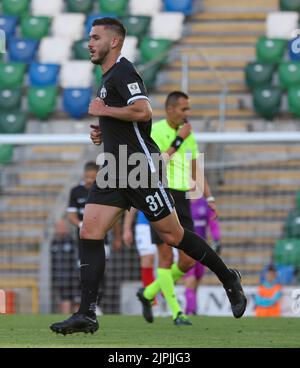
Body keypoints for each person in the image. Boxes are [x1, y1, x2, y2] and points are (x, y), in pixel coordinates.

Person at [50, 17, 247, 335]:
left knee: (174, 237)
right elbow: (128, 120)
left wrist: (105, 112)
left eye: (96, 37)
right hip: (114, 169)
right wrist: (106, 130)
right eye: (90, 37)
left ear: (114, 42)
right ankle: (87, 313)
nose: (90, 43)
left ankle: (229, 278)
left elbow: (143, 111)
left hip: (140, 169)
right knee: (89, 232)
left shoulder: (124, 71)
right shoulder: (107, 77)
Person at [123, 91, 218, 325]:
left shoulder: (189, 135)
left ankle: (147, 294)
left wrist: (209, 197)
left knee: (187, 261)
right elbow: (154, 165)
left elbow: (196, 168)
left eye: (188, 109)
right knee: (165, 257)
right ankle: (177, 312)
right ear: (170, 110)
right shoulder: (156, 130)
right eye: (184, 109)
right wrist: (177, 141)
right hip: (161, 193)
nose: (188, 113)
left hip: (183, 198)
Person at [67, 161, 122, 315]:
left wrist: (118, 238)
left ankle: (97, 305)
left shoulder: (104, 191)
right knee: (84, 274)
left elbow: (115, 217)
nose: (89, 180)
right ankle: (85, 304)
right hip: (83, 242)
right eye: (87, 177)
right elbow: (71, 215)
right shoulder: (76, 191)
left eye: (92, 177)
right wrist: (81, 224)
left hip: (102, 241)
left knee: (99, 273)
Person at [184, 197, 222, 315]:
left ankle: (192, 308)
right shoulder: (182, 202)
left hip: (201, 248)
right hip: (185, 247)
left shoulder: (204, 204)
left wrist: (216, 239)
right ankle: (190, 310)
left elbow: (213, 223)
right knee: (190, 279)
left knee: (198, 278)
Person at [123, 209, 156, 288]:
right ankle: (150, 298)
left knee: (169, 261)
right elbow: (132, 205)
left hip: (169, 223)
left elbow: (191, 199)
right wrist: (126, 228)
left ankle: (166, 296)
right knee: (147, 259)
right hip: (145, 223)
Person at [51, 218, 79, 314]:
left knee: (76, 302)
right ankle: (66, 319)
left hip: (73, 278)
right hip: (59, 278)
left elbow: (77, 259)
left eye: (63, 226)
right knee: (64, 301)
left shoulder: (72, 241)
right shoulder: (53, 243)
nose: (61, 229)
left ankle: (78, 319)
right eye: (59, 227)